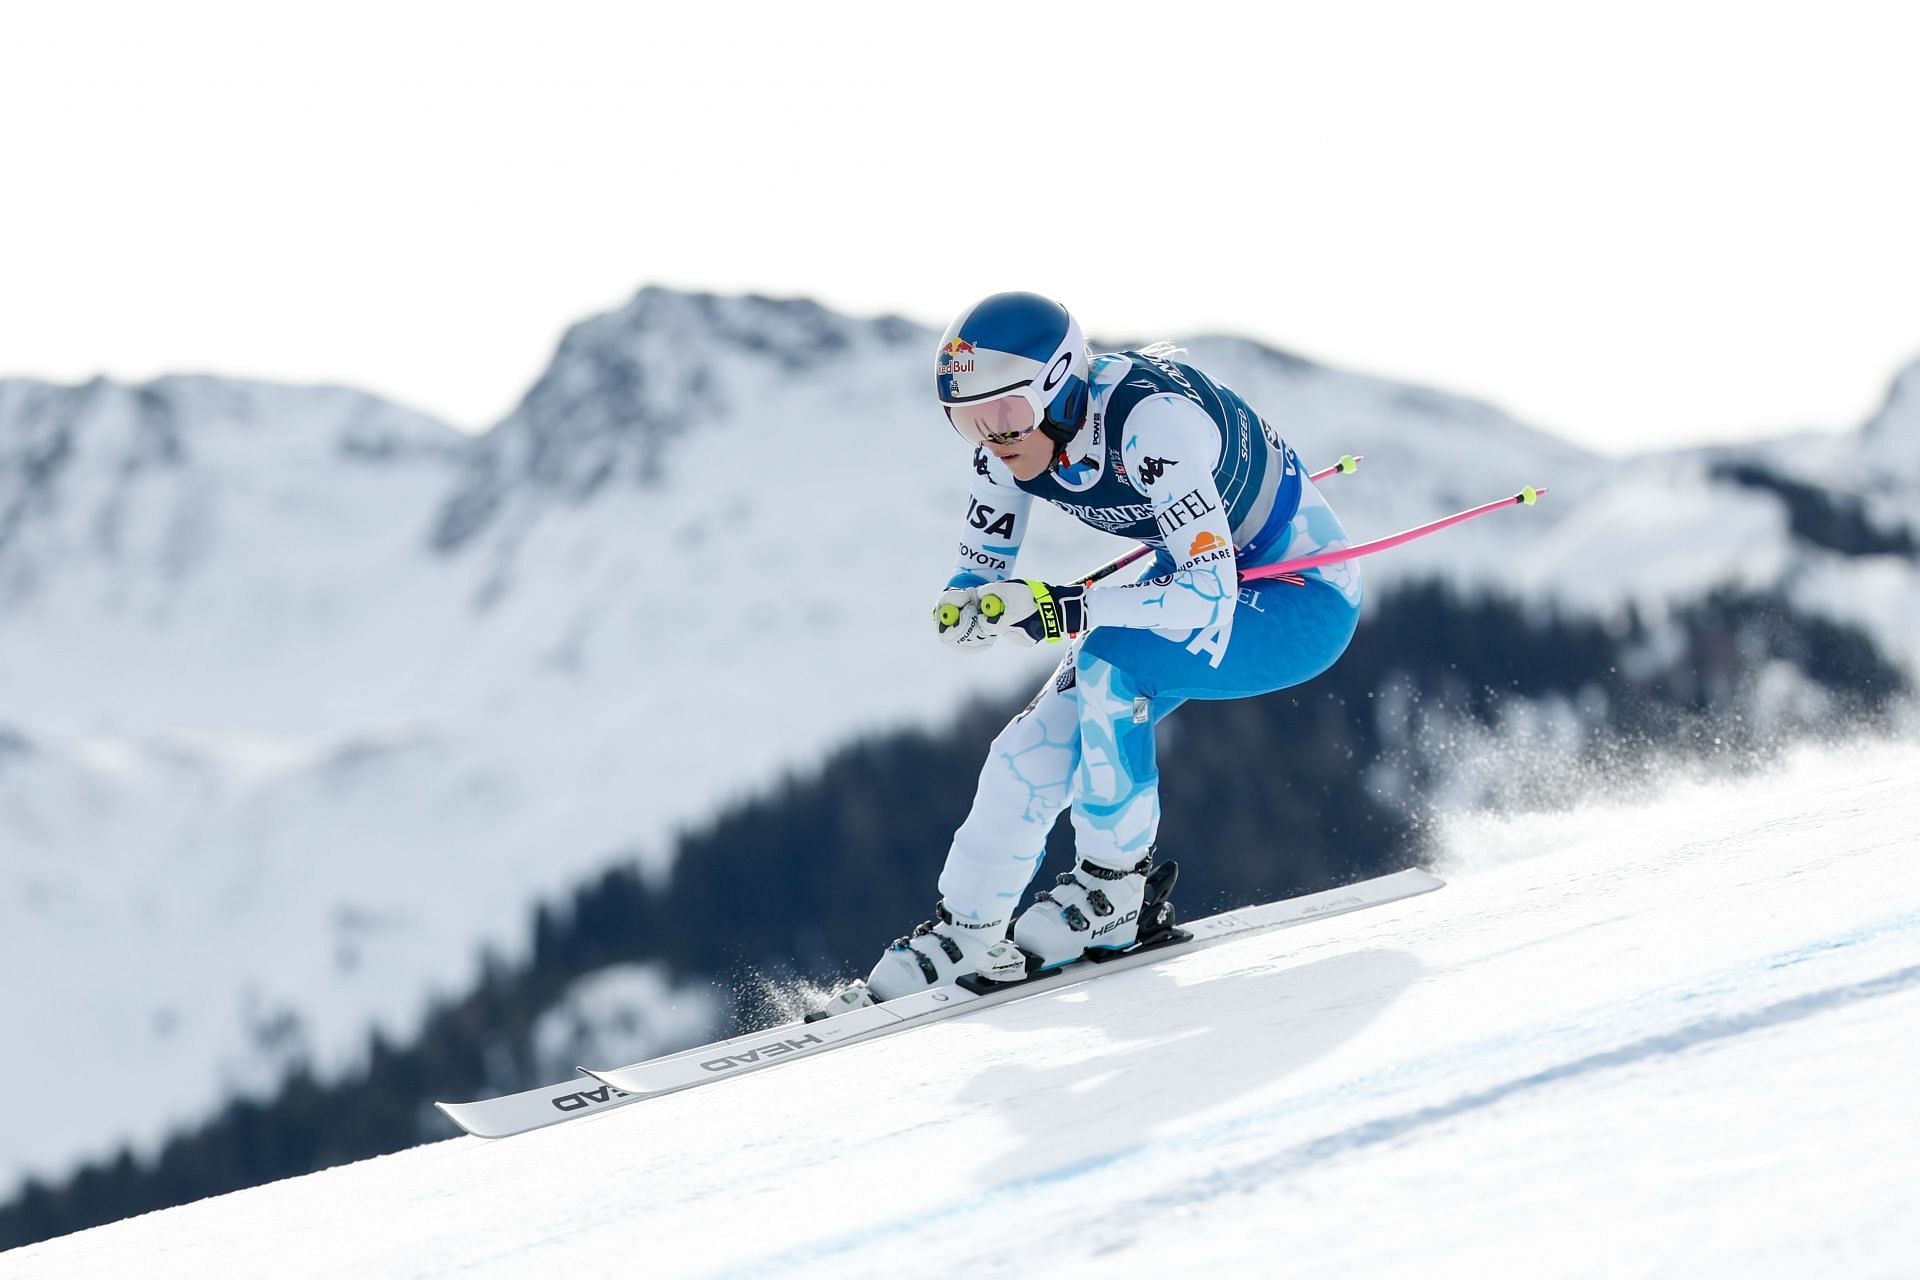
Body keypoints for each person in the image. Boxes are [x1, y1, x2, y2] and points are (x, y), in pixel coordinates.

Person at [861, 291, 1364, 1000]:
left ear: (1060, 383)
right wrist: (963, 603)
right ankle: (966, 928)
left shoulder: (1153, 424)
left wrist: (1062, 607)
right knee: (1028, 748)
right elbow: (980, 567)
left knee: (1109, 667)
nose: (994, 438)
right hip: (1191, 577)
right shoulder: (1002, 451)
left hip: (1298, 599)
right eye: (966, 420)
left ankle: (1113, 895)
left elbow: (1208, 599)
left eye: (1005, 413)